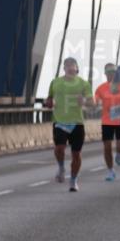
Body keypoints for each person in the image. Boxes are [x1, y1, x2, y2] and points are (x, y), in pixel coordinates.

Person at [44, 57, 94, 191]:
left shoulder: (84, 84)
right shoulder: (55, 82)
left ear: (77, 69)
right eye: (68, 66)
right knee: (59, 148)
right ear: (64, 68)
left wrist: (83, 101)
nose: (70, 68)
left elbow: (92, 103)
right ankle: (61, 167)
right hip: (59, 121)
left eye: (73, 66)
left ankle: (73, 180)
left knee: (76, 154)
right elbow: (49, 99)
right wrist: (48, 103)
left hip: (77, 123)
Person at [93, 63, 120, 181]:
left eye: (113, 72)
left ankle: (119, 154)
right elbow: (95, 102)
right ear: (105, 74)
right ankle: (110, 171)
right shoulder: (101, 88)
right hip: (107, 121)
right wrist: (92, 104)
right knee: (107, 147)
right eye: (108, 72)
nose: (111, 74)